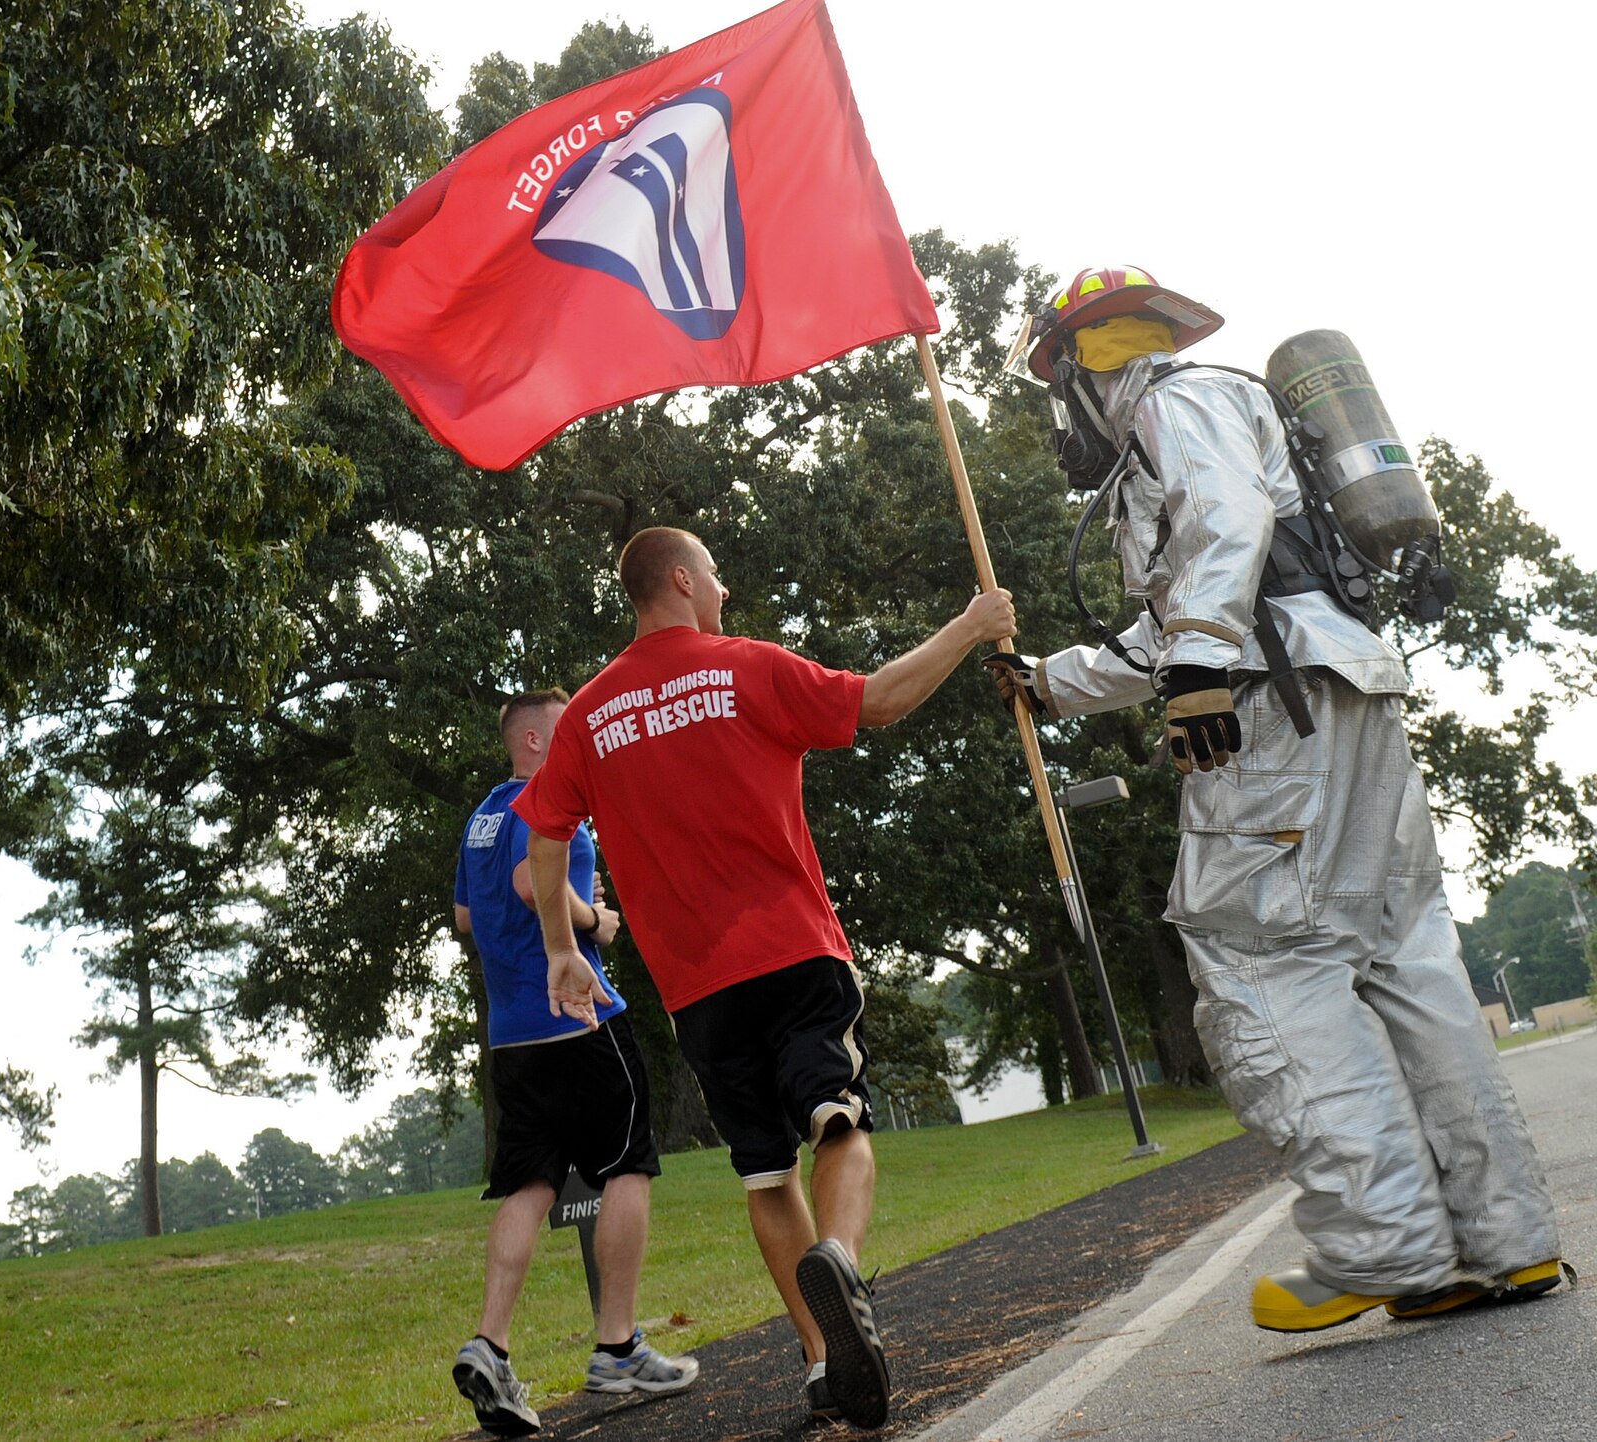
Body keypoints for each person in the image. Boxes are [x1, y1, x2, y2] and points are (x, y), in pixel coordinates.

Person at [989, 264, 1564, 1333]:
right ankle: (1503, 1236)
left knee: (1260, 958)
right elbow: (1202, 590)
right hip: (1343, 694)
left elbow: (1221, 521)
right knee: (1402, 957)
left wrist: (1201, 660)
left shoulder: (1173, 401)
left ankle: (1387, 1244)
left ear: (1077, 362)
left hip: (1269, 708)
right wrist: (1052, 680)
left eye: (1050, 379)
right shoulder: (1215, 406)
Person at [514, 527, 1017, 1430]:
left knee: (762, 1172)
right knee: (841, 1122)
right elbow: (879, 700)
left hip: (695, 986)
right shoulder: (743, 666)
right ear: (678, 578)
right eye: (712, 571)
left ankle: (826, 1364)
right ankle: (840, 1261)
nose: (725, 585)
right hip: (792, 949)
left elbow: (545, 839)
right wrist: (972, 627)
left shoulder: (587, 716)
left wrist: (561, 949)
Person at [449, 688, 698, 1437]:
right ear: (531, 740)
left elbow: (467, 917)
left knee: (528, 1184)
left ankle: (490, 1344)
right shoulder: (550, 803)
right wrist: (598, 919)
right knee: (629, 1164)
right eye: (565, 731)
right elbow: (534, 884)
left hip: (513, 1038)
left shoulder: (481, 817)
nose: (578, 741)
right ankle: (618, 1348)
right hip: (580, 1019)